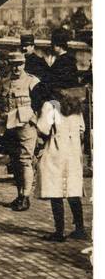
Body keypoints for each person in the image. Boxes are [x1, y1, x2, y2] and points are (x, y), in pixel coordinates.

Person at [35, 92, 88, 241]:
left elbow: (43, 129)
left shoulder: (50, 105)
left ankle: (59, 232)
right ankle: (80, 229)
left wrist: (35, 120)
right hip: (73, 151)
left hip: (56, 150)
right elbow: (82, 130)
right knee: (73, 190)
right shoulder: (76, 106)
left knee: (55, 190)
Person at [0, 52, 40, 211]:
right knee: (14, 160)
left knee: (25, 160)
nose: (16, 68)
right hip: (9, 125)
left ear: (24, 64)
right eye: (13, 64)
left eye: (19, 64)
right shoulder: (4, 81)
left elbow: (42, 104)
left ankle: (26, 197)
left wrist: (38, 123)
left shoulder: (32, 81)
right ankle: (19, 195)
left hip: (26, 126)